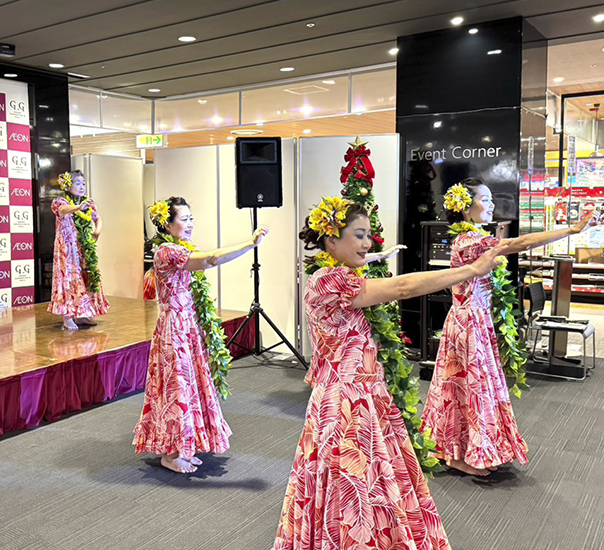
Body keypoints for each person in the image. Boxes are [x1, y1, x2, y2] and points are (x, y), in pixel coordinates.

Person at [274, 196, 506, 550]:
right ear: (331, 240)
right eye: (359, 235)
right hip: (346, 402)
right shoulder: (331, 281)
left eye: (369, 235)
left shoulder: (333, 274)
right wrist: (471, 270)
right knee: (353, 483)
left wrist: (380, 255)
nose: (367, 243)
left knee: (370, 480)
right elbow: (402, 287)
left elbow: (376, 270)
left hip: (361, 395)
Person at [421, 178, 600, 476]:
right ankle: (461, 454)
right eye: (485, 199)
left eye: (491, 199)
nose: (492, 205)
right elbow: (518, 243)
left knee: (462, 387)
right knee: (470, 388)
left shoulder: (474, 236)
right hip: (469, 324)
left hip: (473, 321)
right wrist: (571, 230)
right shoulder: (470, 241)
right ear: (465, 208)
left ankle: (457, 450)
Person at [133, 197, 269, 473]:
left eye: (191, 218)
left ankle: (184, 446)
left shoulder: (180, 248)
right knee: (176, 387)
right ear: (167, 224)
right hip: (173, 329)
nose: (190, 224)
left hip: (187, 326)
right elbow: (211, 259)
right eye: (184, 219)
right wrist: (249, 244)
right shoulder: (167, 252)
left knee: (189, 385)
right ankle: (171, 454)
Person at [49, 171, 109, 330]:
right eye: (77, 183)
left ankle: (82, 314)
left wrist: (97, 231)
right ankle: (67, 317)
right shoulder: (59, 202)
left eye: (83, 183)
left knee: (85, 277)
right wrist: (77, 207)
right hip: (67, 249)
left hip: (83, 246)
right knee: (69, 279)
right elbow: (63, 210)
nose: (82, 187)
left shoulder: (88, 203)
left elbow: (97, 217)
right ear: (68, 186)